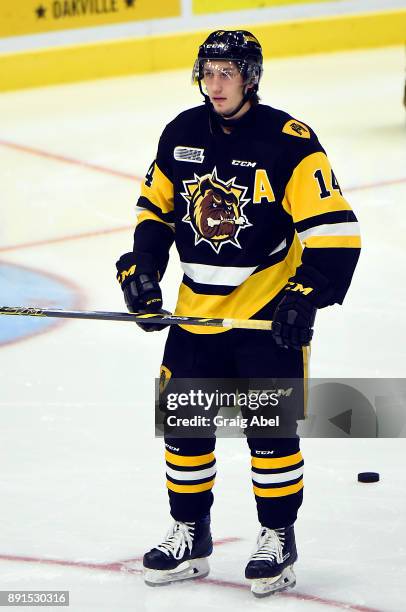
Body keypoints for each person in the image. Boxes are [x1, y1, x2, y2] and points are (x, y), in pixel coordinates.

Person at [116, 30, 361, 597]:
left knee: (270, 435)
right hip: (196, 317)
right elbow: (155, 210)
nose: (215, 82)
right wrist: (145, 269)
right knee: (186, 431)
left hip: (264, 318)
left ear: (250, 77)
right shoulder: (180, 134)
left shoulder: (288, 141)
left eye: (227, 72)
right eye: (208, 71)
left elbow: (337, 233)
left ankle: (278, 538)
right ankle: (190, 534)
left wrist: (305, 296)